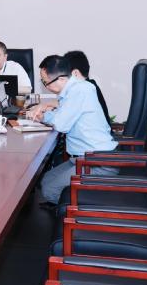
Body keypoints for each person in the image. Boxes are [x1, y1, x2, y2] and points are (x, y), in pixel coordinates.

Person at [25, 55, 118, 204]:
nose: (45, 86)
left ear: (61, 79)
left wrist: (44, 115)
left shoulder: (79, 91)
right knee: (46, 179)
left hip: (98, 162)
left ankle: (79, 212)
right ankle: (64, 207)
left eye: (45, 82)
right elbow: (61, 115)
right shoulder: (74, 89)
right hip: (83, 158)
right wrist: (43, 116)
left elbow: (61, 124)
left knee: (49, 189)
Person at [64, 50, 110, 128]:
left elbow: (63, 123)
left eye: (64, 72)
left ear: (75, 73)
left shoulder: (82, 90)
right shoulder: (91, 86)